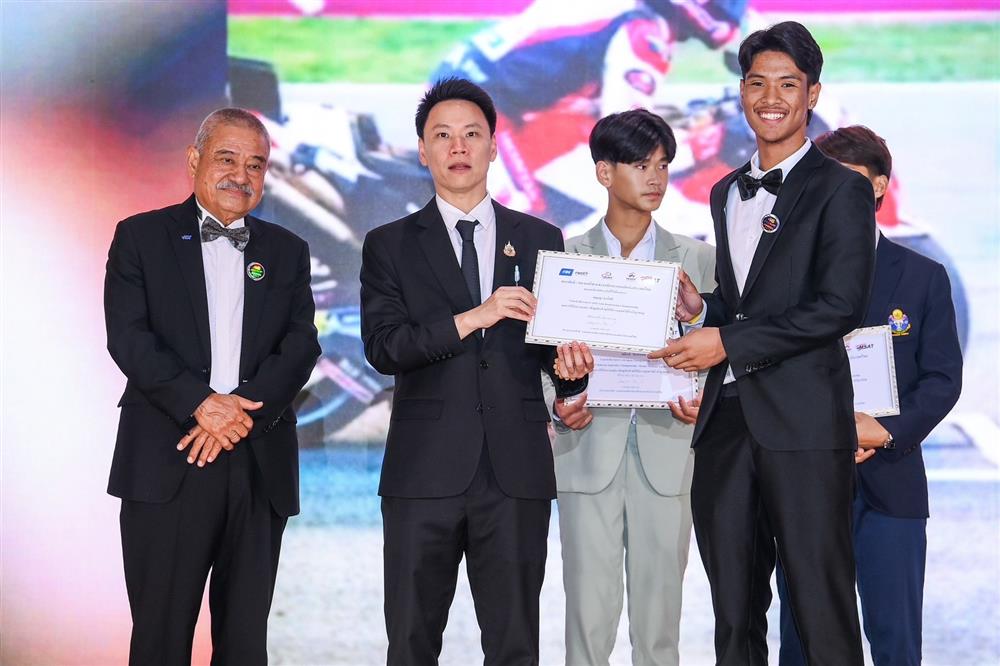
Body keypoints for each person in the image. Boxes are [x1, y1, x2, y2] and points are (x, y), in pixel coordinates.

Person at [649, 22, 877, 664]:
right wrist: (704, 310)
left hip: (804, 427)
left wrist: (726, 340)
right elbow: (746, 301)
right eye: (757, 83)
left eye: (787, 84)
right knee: (733, 615)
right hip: (727, 426)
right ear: (742, 93)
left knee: (821, 608)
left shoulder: (842, 188)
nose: (770, 98)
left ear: (812, 95)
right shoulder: (725, 190)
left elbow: (840, 306)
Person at [359, 77, 595, 666]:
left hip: (515, 474)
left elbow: (551, 350)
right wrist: (474, 317)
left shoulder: (539, 238)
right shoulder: (389, 244)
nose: (458, 147)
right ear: (422, 150)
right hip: (422, 474)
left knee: (515, 646)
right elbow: (385, 348)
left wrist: (572, 376)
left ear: (493, 146)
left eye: (471, 134)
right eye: (442, 135)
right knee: (411, 644)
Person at [104, 107, 321, 664]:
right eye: (227, 159)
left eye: (256, 165)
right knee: (159, 640)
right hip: (167, 460)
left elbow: (301, 345)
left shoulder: (288, 250)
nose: (241, 175)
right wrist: (201, 405)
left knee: (245, 644)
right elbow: (128, 338)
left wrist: (238, 416)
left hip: (258, 464)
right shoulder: (140, 237)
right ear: (194, 160)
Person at [774, 126, 963, 666]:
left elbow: (942, 378)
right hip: (806, 485)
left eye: (850, 182)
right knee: (803, 644)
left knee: (896, 641)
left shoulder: (923, 277)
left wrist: (888, 431)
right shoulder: (785, 279)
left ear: (879, 187)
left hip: (891, 485)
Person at [543, 109, 715, 665]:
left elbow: (725, 350)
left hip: (669, 458)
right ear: (604, 172)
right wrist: (560, 403)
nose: (656, 178)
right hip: (587, 454)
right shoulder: (564, 258)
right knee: (587, 627)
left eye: (663, 165)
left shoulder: (700, 260)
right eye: (641, 165)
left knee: (660, 629)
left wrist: (704, 397)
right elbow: (541, 361)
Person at [431, 0, 747, 218]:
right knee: (523, 216)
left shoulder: (627, 12)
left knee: (575, 139)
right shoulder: (644, 31)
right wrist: (697, 147)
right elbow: (626, 132)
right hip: (481, 105)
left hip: (482, 91)